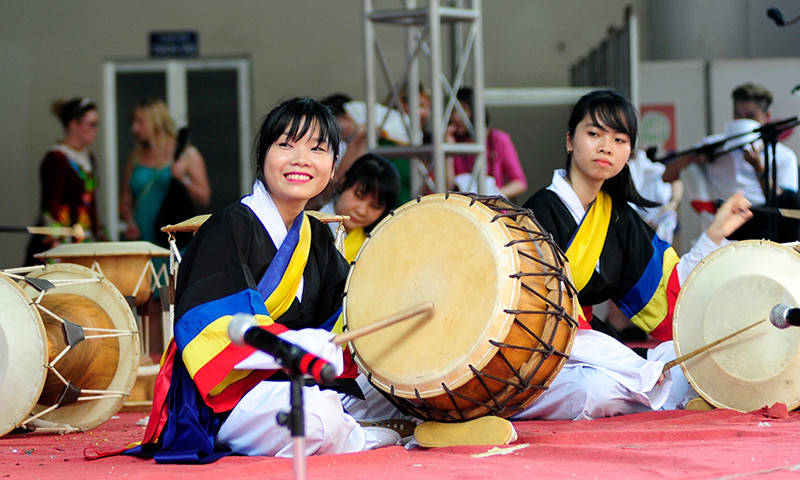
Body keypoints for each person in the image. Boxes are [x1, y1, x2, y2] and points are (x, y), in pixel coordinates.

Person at [126, 97, 410, 463]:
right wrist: (295, 346)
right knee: (315, 415)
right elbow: (213, 331)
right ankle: (363, 436)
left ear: (333, 165)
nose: (301, 159)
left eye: (318, 149)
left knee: (400, 382)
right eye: (286, 145)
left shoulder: (316, 237)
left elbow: (353, 308)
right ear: (263, 156)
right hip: (228, 397)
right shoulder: (228, 227)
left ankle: (356, 427)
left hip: (295, 383)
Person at [512, 89, 753, 421]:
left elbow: (668, 292)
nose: (606, 147)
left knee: (691, 354)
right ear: (570, 140)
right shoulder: (537, 214)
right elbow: (534, 317)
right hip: (548, 357)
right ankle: (653, 389)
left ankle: (646, 386)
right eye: (594, 134)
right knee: (590, 390)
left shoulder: (619, 217)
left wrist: (714, 234)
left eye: (619, 140)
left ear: (629, 152)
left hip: (600, 354)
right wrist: (628, 363)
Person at [662, 83, 800, 242]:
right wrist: (694, 158)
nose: (742, 121)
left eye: (750, 116)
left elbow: (788, 206)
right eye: (737, 115)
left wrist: (759, 169)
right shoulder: (715, 146)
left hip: (763, 221)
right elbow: (665, 175)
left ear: (766, 117)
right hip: (724, 220)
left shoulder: (783, 156)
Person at [119, 97, 211, 247]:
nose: (134, 129)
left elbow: (204, 197)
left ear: (156, 121)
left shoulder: (185, 154)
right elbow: (125, 200)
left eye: (140, 122)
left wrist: (182, 178)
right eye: (133, 123)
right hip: (144, 238)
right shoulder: (136, 157)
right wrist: (129, 222)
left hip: (175, 238)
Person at [25, 97, 104, 265]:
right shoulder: (56, 158)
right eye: (91, 124)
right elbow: (50, 205)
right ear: (74, 125)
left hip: (85, 234)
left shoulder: (89, 158)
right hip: (63, 239)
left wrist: (99, 233)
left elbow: (92, 202)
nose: (95, 130)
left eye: (96, 124)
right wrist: (56, 242)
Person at [445, 87, 528, 199]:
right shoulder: (452, 142)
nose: (456, 117)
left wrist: (494, 196)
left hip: (493, 210)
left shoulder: (498, 139)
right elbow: (447, 187)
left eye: (463, 110)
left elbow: (519, 183)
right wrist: (448, 152)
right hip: (463, 210)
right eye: (453, 111)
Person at [319, 153, 401, 262]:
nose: (362, 211)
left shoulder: (379, 244)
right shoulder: (309, 224)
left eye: (375, 206)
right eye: (358, 196)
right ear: (344, 183)